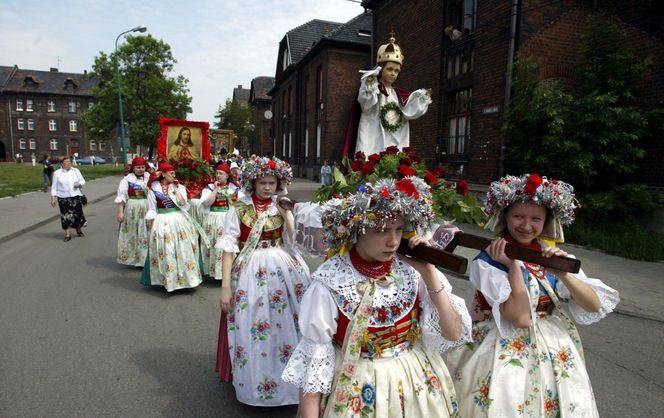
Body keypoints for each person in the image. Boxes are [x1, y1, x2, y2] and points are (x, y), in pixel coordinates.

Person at [281, 176, 471, 418]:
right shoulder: (330, 281)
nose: (393, 241)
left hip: (416, 384)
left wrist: (428, 271)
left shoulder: (413, 272)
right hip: (357, 389)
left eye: (399, 229)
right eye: (381, 230)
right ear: (356, 230)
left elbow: (452, 333)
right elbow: (313, 370)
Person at [446, 173, 620, 417]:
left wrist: (564, 275)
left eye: (536, 218)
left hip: (554, 349)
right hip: (501, 346)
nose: (526, 226)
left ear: (547, 220)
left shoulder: (551, 256)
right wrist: (513, 265)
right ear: (505, 215)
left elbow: (594, 305)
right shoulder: (488, 262)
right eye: (518, 216)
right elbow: (520, 319)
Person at [216, 156, 310, 406]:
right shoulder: (238, 208)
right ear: (252, 183)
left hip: (282, 270)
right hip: (249, 271)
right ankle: (255, 386)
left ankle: (289, 387)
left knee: (285, 325)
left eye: (272, 182)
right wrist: (226, 287)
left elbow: (294, 239)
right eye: (263, 183)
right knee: (253, 325)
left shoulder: (281, 205)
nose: (268, 187)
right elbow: (228, 248)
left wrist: (287, 213)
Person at [342, 35, 432, 157]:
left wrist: (421, 100)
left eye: (396, 71)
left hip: (394, 141)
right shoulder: (373, 89)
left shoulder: (399, 95)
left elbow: (408, 112)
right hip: (373, 138)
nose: (393, 74)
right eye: (390, 69)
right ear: (381, 68)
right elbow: (366, 105)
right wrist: (369, 85)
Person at [140, 162, 202, 292]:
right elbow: (152, 209)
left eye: (174, 173)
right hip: (162, 221)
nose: (174, 175)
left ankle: (185, 280)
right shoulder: (154, 189)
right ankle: (168, 281)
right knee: (166, 250)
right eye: (171, 173)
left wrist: (175, 187)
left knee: (182, 249)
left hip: (179, 220)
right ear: (163, 174)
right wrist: (152, 228)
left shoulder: (179, 187)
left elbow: (182, 203)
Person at [199, 162, 238, 279]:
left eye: (221, 173)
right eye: (217, 173)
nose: (218, 175)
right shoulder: (209, 188)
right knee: (213, 245)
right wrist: (216, 189)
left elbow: (238, 204)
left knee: (226, 246)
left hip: (227, 218)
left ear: (227, 175)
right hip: (213, 218)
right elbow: (206, 203)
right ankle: (214, 272)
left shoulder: (234, 188)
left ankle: (226, 273)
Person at [115, 156, 151, 267]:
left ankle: (145, 259)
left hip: (147, 206)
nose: (141, 169)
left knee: (146, 233)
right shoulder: (126, 180)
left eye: (142, 167)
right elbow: (121, 197)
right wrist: (120, 212)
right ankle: (134, 258)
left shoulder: (150, 178)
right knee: (132, 232)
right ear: (133, 168)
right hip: (132, 208)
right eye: (138, 167)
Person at [50, 156, 86, 242]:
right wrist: (53, 198)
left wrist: (79, 184)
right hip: (63, 198)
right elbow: (54, 187)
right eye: (66, 161)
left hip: (75, 197)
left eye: (69, 161)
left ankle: (78, 229)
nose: (69, 163)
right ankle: (67, 234)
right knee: (65, 217)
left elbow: (83, 181)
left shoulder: (75, 171)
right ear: (62, 163)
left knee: (78, 215)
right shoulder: (57, 173)